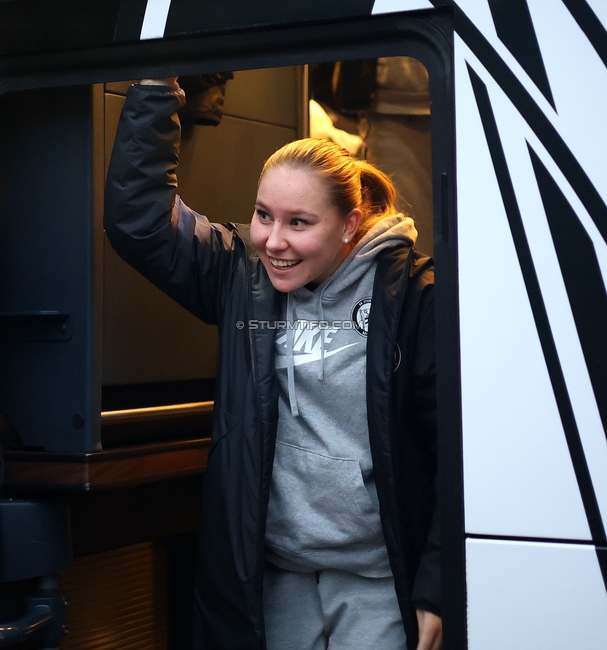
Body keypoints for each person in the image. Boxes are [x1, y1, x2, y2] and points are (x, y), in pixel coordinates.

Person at [105, 77, 441, 650]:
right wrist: (155, 83)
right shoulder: (242, 278)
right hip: (274, 577)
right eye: (264, 215)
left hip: (379, 580)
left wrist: (435, 585)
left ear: (350, 225)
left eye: (299, 223)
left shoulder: (415, 297)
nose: (273, 241)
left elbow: (458, 454)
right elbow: (140, 222)